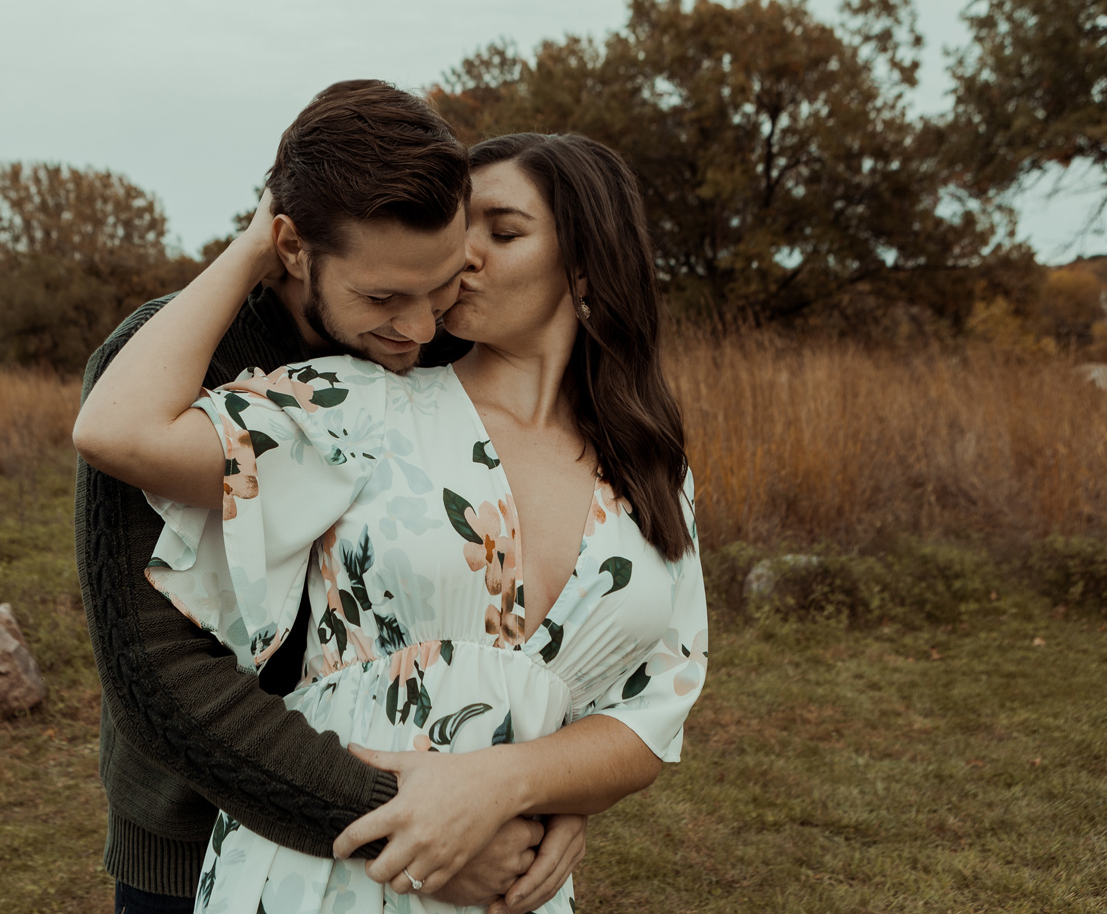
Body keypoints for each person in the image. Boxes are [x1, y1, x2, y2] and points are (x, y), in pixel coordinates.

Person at [75, 130, 709, 912]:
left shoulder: (652, 466)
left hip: (504, 869)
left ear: (587, 263)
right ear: (295, 247)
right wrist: (251, 245)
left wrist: (533, 785)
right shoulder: (363, 399)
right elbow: (158, 660)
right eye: (458, 228)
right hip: (275, 842)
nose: (459, 259)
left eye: (502, 232)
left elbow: (650, 707)